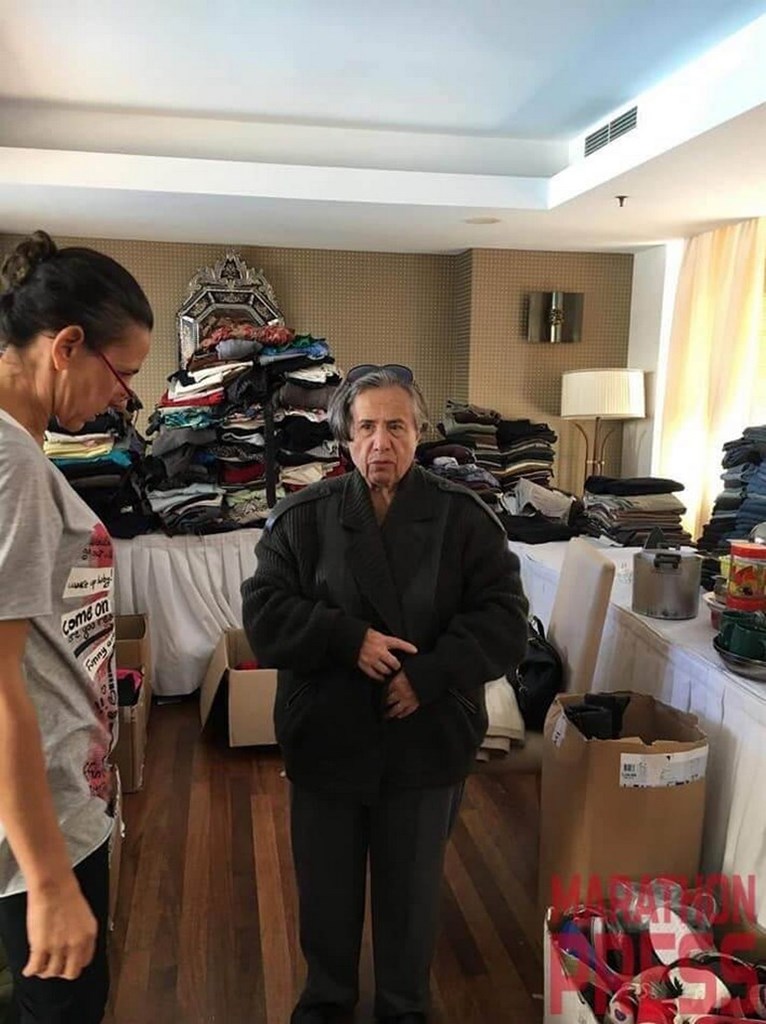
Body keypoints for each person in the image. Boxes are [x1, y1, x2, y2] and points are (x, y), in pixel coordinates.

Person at [242, 364, 528, 1024]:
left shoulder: (465, 519)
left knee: (411, 893)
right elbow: (263, 614)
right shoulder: (303, 518)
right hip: (327, 735)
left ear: (418, 433)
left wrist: (429, 674)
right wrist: (346, 639)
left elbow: (505, 619)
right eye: (366, 427)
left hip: (426, 737)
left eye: (395, 426)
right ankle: (326, 1002)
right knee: (326, 891)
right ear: (345, 438)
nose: (380, 442)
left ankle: (404, 1008)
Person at [0, 230, 153, 1023]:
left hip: (56, 805)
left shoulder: (21, 450)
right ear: (66, 347)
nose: (124, 400)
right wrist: (49, 879)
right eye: (124, 376)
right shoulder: (13, 465)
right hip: (40, 830)